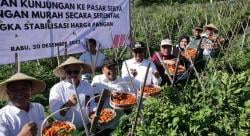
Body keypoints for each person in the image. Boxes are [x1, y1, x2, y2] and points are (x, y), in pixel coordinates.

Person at [49, 56, 96, 129]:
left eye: (76, 72)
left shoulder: (86, 85)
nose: (73, 75)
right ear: (65, 72)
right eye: (69, 72)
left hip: (87, 127)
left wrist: (94, 114)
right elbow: (55, 114)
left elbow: (92, 103)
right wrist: (68, 104)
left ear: (80, 71)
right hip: (67, 130)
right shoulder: (57, 89)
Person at [91, 58, 128, 136]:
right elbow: (95, 99)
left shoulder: (121, 80)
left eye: (114, 67)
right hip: (103, 122)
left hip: (119, 121)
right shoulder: (97, 80)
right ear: (103, 70)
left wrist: (122, 96)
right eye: (109, 68)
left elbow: (127, 98)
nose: (112, 70)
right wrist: (109, 94)